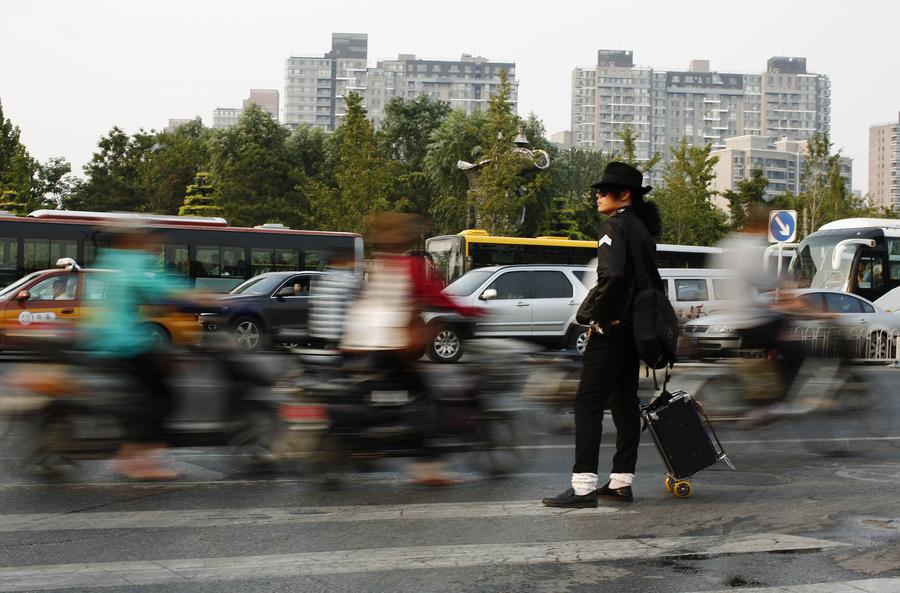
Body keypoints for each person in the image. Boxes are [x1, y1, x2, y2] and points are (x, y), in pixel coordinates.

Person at [543, 162, 662, 507]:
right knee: (624, 402)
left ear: (624, 195)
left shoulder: (614, 226)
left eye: (604, 190)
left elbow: (611, 277)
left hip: (613, 329)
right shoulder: (641, 228)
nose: (597, 195)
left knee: (588, 401)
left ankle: (582, 486)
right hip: (637, 330)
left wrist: (596, 317)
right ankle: (621, 481)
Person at [340, 213, 482, 486]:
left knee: (380, 395)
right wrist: (472, 310)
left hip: (360, 344)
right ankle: (426, 466)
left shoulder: (378, 263)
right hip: (387, 346)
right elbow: (435, 295)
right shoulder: (409, 266)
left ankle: (366, 444)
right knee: (426, 400)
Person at [80, 226, 184, 480]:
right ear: (131, 239)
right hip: (122, 342)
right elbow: (161, 289)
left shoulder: (109, 259)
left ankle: (133, 454)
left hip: (100, 338)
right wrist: (205, 299)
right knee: (161, 395)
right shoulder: (132, 261)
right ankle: (136, 459)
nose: (153, 248)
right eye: (150, 243)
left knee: (144, 390)